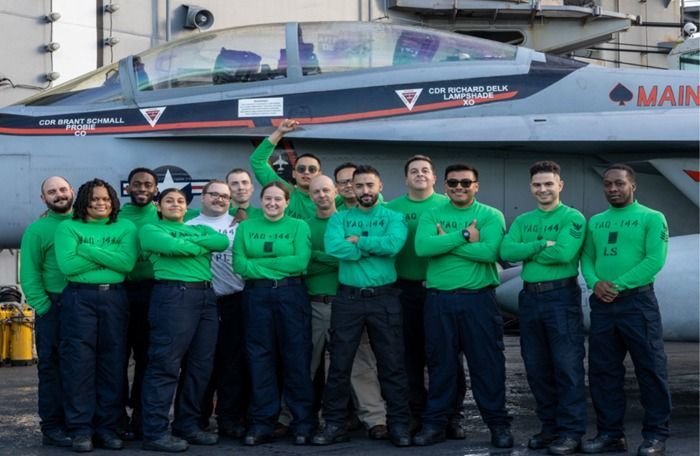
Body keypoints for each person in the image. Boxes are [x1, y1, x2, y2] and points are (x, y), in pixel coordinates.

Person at [312, 165, 412, 448]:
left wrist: (358, 241)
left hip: (385, 298)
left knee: (392, 364)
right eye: (359, 186)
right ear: (351, 189)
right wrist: (369, 246)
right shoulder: (339, 218)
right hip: (348, 299)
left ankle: (400, 424)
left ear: (380, 187)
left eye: (370, 185)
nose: (365, 191)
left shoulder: (395, 216)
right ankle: (333, 424)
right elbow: (335, 248)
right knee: (340, 365)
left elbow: (393, 245)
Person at [413, 164, 513, 448]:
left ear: (476, 186)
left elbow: (490, 252)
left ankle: (498, 426)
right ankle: (435, 425)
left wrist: (445, 241)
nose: (459, 187)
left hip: (478, 300)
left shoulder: (490, 215)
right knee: (440, 365)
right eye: (453, 183)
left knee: (487, 365)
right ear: (445, 185)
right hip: (438, 301)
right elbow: (423, 248)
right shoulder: (432, 213)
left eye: (466, 182)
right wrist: (465, 236)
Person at [580, 164, 671, 456]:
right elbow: (588, 259)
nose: (613, 189)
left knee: (650, 370)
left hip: (637, 303)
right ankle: (610, 434)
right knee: (603, 372)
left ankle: (656, 435)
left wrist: (616, 285)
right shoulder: (596, 221)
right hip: (603, 305)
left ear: (633, 186)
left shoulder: (652, 218)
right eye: (607, 184)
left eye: (619, 184)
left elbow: (654, 261)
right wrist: (595, 284)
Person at [500, 161, 587, 455]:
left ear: (560, 185)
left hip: (560, 298)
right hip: (530, 299)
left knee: (567, 367)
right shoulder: (524, 220)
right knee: (536, 368)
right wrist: (540, 243)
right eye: (537, 185)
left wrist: (530, 250)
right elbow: (507, 252)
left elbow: (564, 254)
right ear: (531, 188)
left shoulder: (573, 217)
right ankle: (549, 428)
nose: (543, 189)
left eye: (548, 184)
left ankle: (572, 432)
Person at [139, 188, 229, 452]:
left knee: (201, 366)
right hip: (173, 296)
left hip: (206, 296)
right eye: (169, 201)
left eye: (180, 201)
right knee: (165, 364)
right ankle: (154, 432)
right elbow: (171, 246)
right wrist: (197, 248)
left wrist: (188, 248)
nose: (175, 204)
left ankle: (187, 424)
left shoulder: (199, 228)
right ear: (158, 206)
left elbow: (221, 243)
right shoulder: (151, 229)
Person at [299, 175, 388, 439]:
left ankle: (375, 420)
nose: (322, 195)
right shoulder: (303, 226)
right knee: (306, 366)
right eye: (316, 192)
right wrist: (337, 255)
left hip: (349, 301)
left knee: (362, 364)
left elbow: (353, 258)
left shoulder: (351, 219)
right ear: (310, 196)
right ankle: (295, 417)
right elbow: (303, 264)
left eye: (326, 190)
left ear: (336, 191)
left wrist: (321, 257)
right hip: (316, 304)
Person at [54, 178, 138, 452]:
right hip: (79, 299)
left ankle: (107, 428)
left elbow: (125, 264)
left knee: (113, 365)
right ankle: (81, 429)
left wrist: (87, 250)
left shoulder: (125, 226)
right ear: (83, 202)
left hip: (115, 298)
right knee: (78, 366)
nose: (100, 203)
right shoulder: (67, 227)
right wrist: (108, 256)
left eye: (105, 198)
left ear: (113, 201)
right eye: (94, 198)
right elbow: (68, 266)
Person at [386, 155, 467, 436]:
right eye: (413, 171)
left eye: (425, 170)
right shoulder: (391, 209)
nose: (419, 174)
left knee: (446, 355)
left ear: (434, 178)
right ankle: (416, 414)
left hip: (440, 290)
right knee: (409, 356)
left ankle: (451, 415)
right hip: (404, 290)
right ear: (405, 179)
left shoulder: (449, 207)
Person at [232, 181, 316, 446]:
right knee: (260, 357)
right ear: (261, 200)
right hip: (256, 296)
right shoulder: (246, 227)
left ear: (287, 202)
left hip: (291, 296)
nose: (272, 203)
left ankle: (303, 422)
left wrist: (260, 265)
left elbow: (300, 262)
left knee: (296, 357)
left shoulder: (298, 226)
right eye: (267, 198)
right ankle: (262, 422)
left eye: (278, 199)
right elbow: (240, 265)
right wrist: (277, 267)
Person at [186, 180, 249, 438]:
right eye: (214, 194)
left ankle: (229, 418)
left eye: (225, 196)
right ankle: (197, 417)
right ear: (203, 196)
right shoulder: (188, 226)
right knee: (199, 362)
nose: (220, 199)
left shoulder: (240, 227)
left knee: (232, 363)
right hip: (199, 301)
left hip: (234, 300)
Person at [19, 176, 75, 448]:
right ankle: (53, 426)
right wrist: (44, 308)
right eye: (52, 192)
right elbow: (29, 274)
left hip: (84, 304)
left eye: (63, 189)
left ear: (72, 192)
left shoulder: (85, 223)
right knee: (52, 368)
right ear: (44, 199)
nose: (59, 195)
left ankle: (81, 422)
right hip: (54, 305)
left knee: (82, 367)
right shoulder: (37, 230)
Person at [119, 167, 160, 439]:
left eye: (147, 185)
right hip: (120, 293)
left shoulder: (164, 213)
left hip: (154, 294)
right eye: (137, 184)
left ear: (155, 189)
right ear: (128, 188)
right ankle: (117, 418)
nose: (142, 189)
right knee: (117, 358)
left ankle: (142, 418)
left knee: (148, 358)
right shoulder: (115, 216)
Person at [249, 119, 321, 219]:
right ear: (294, 174)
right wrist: (280, 132)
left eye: (312, 169)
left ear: (319, 174)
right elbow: (257, 161)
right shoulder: (283, 191)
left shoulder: (331, 197)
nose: (306, 172)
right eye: (301, 169)